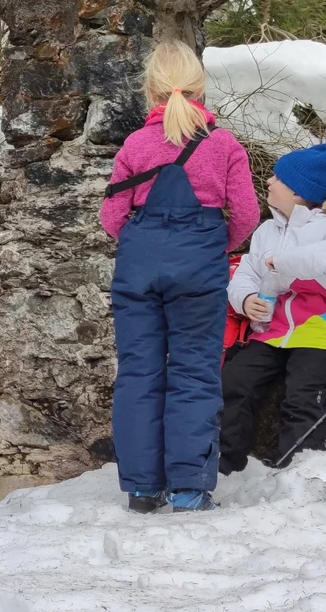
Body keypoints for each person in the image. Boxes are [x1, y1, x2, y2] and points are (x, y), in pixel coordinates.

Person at [100, 41, 260, 514]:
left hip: (138, 269)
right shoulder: (224, 144)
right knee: (193, 372)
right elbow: (247, 215)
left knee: (138, 374)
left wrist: (146, 244)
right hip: (199, 267)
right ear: (199, 87)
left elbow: (112, 218)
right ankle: (189, 489)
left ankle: (142, 489)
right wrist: (214, 246)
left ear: (150, 88)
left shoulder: (134, 145)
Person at [221, 141, 326, 472]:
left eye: (277, 178)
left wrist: (284, 262)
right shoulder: (267, 230)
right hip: (274, 330)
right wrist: (246, 300)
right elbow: (245, 273)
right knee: (232, 383)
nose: (269, 182)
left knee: (303, 395)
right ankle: (224, 466)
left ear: (298, 192)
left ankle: (301, 476)